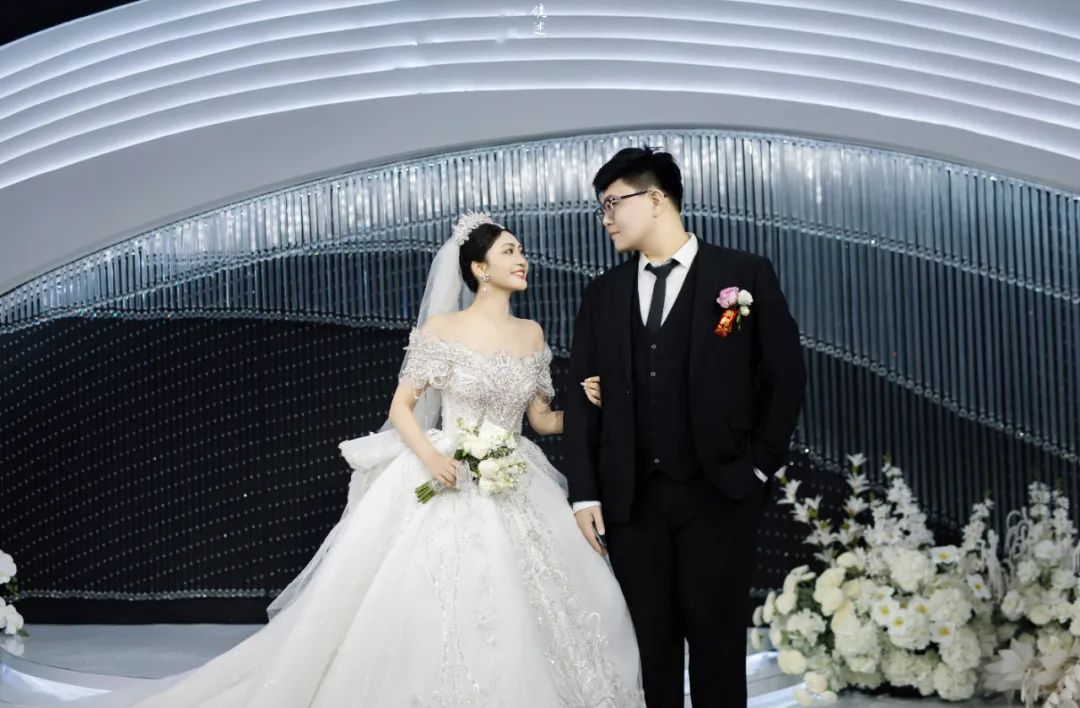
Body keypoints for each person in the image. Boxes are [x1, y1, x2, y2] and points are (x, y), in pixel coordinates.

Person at [75, 212, 644, 707]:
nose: (523, 259)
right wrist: (432, 456)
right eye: (509, 251)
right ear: (478, 268)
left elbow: (540, 420)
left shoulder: (531, 333)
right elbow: (401, 408)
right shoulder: (443, 329)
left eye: (521, 251)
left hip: (515, 474)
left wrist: (584, 404)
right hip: (448, 470)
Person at [564, 146, 807, 707]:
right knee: (651, 655)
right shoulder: (602, 294)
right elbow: (582, 394)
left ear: (656, 199)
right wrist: (584, 493)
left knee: (718, 651)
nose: (606, 219)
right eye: (602, 208)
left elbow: (785, 376)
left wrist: (757, 467)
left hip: (720, 493)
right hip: (631, 501)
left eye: (612, 204)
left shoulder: (742, 275)